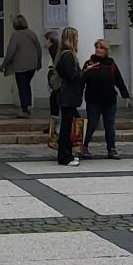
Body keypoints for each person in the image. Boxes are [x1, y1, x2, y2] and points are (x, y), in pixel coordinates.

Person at [81, 38, 130, 159]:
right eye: (97, 47)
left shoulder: (111, 64)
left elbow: (118, 80)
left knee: (110, 125)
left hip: (109, 100)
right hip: (93, 100)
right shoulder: (89, 63)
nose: (98, 50)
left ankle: (111, 149)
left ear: (106, 50)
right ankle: (84, 146)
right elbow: (81, 80)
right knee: (92, 124)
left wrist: (125, 94)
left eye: (101, 48)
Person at [0, 14, 44, 117]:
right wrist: (39, 62)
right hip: (32, 65)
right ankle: (28, 106)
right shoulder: (31, 33)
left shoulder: (16, 35)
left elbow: (10, 52)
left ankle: (25, 110)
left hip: (20, 66)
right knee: (27, 85)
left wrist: (3, 65)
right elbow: (39, 49)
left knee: (22, 87)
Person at [53, 27, 85, 167]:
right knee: (66, 127)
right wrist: (84, 72)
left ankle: (68, 153)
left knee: (69, 124)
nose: (78, 39)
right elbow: (72, 75)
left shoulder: (64, 54)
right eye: (76, 37)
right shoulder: (68, 55)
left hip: (67, 95)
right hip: (67, 96)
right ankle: (65, 156)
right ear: (72, 38)